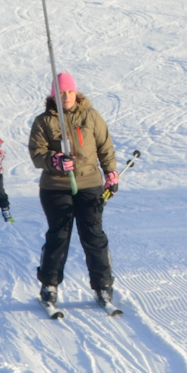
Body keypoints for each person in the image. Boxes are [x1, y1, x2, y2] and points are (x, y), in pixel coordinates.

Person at [29, 72, 118, 310]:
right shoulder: (43, 121)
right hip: (56, 186)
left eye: (69, 92)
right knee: (59, 235)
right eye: (61, 92)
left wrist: (110, 172)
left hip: (89, 183)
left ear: (75, 93)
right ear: (54, 95)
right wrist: (54, 160)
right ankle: (49, 285)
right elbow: (37, 153)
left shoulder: (90, 116)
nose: (66, 96)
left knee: (93, 234)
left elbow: (104, 145)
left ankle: (103, 285)